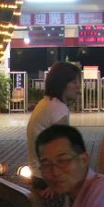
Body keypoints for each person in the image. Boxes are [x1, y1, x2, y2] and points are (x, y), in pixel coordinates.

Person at [26, 61, 81, 196]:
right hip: (48, 179)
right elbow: (60, 151)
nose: (79, 86)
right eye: (74, 82)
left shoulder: (45, 103)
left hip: (38, 175)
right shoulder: (58, 109)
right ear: (62, 84)